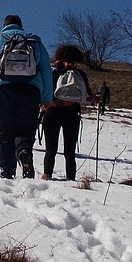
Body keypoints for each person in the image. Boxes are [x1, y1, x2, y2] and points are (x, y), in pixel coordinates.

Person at [0, 15, 53, 178]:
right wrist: (46, 99)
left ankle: (7, 170)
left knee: (6, 131)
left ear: (4, 26)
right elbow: (47, 71)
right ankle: (24, 151)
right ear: (21, 26)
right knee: (26, 129)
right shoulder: (35, 42)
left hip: (4, 90)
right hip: (31, 90)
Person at [40, 44, 91, 181]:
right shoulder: (79, 74)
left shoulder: (51, 72)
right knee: (70, 152)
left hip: (52, 113)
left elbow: (43, 93)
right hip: (71, 114)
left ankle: (47, 175)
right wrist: (99, 98)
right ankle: (71, 179)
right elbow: (88, 96)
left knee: (50, 149)